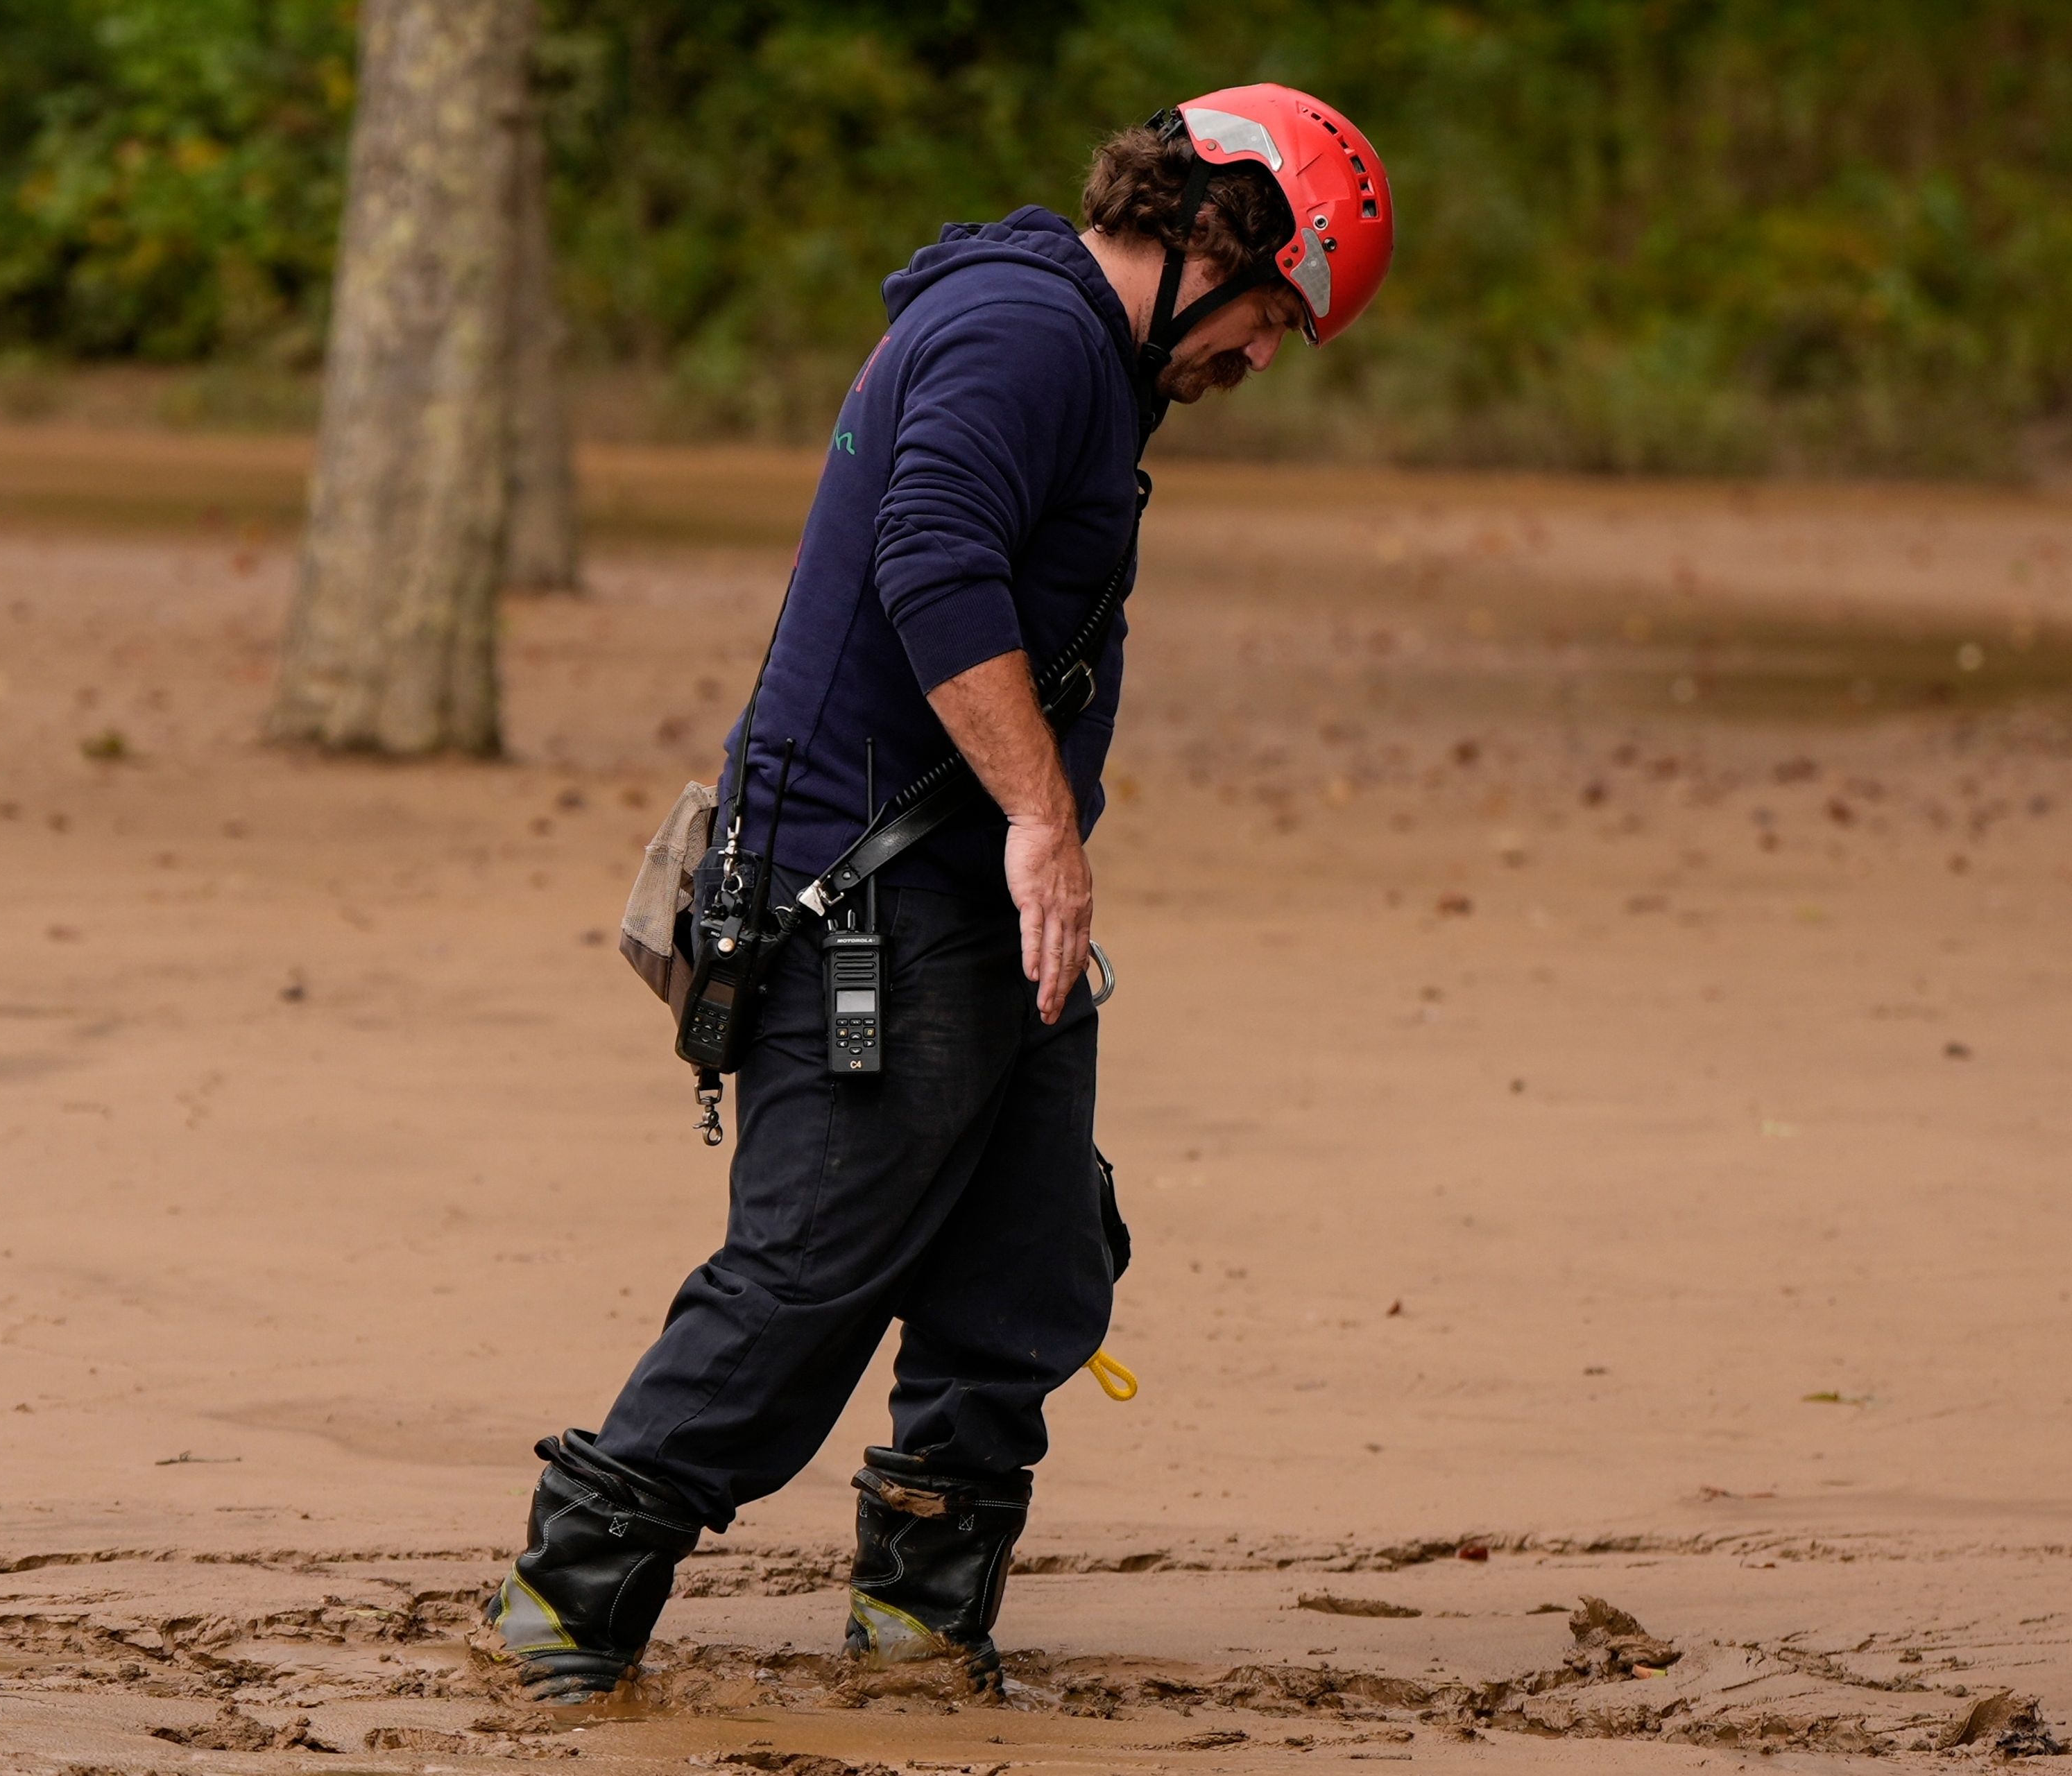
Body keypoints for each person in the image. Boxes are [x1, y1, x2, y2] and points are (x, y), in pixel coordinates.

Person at [485, 84, 1396, 1702]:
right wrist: (1044, 817)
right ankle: (563, 1610)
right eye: (1270, 314)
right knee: (810, 1273)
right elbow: (930, 557)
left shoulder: (1084, 365)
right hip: (867, 896)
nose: (1261, 358)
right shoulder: (1023, 334)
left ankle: (919, 1631)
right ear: (1218, 236)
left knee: (1030, 1264)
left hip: (981, 900)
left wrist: (1037, 849)